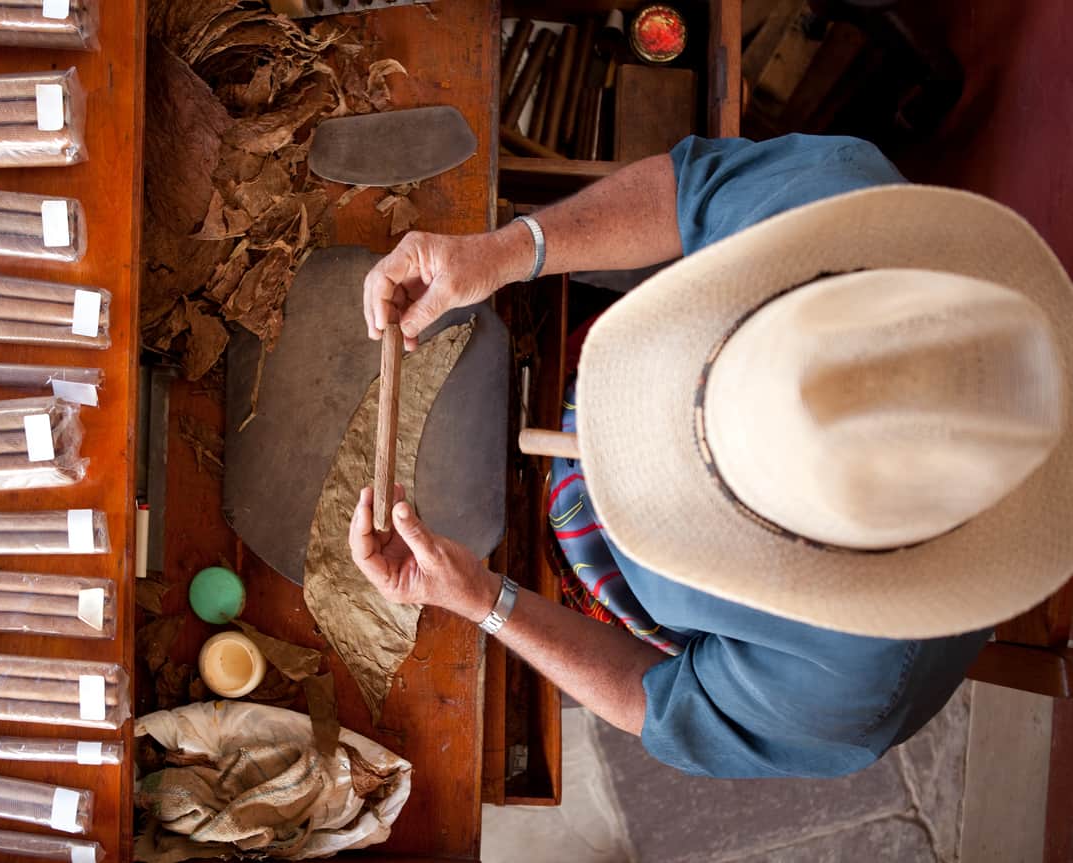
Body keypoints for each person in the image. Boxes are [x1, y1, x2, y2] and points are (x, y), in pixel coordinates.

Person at [347, 134, 1073, 778]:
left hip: (621, 588)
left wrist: (485, 599)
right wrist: (500, 251)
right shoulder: (846, 214)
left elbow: (658, 700)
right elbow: (688, 191)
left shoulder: (846, 690)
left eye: (706, 481)